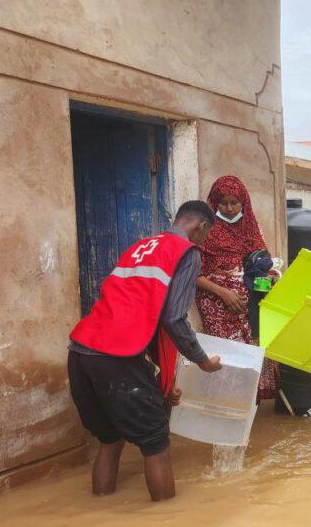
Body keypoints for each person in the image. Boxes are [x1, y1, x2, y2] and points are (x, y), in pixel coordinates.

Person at [67, 201, 222, 501]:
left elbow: (134, 308)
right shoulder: (186, 252)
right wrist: (202, 361)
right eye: (205, 235)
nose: (203, 241)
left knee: (110, 440)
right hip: (117, 355)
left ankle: (99, 508)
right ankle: (166, 524)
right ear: (201, 227)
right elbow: (174, 317)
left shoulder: (139, 247)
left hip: (80, 350)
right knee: (156, 443)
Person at [195, 175, 279, 401]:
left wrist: (267, 285)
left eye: (235, 202)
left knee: (252, 357)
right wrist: (224, 293)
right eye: (224, 203)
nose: (230, 208)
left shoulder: (251, 228)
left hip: (249, 306)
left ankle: (250, 416)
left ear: (244, 202)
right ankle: (228, 408)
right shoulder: (204, 231)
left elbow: (261, 266)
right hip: (217, 306)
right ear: (214, 203)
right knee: (229, 359)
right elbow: (193, 275)